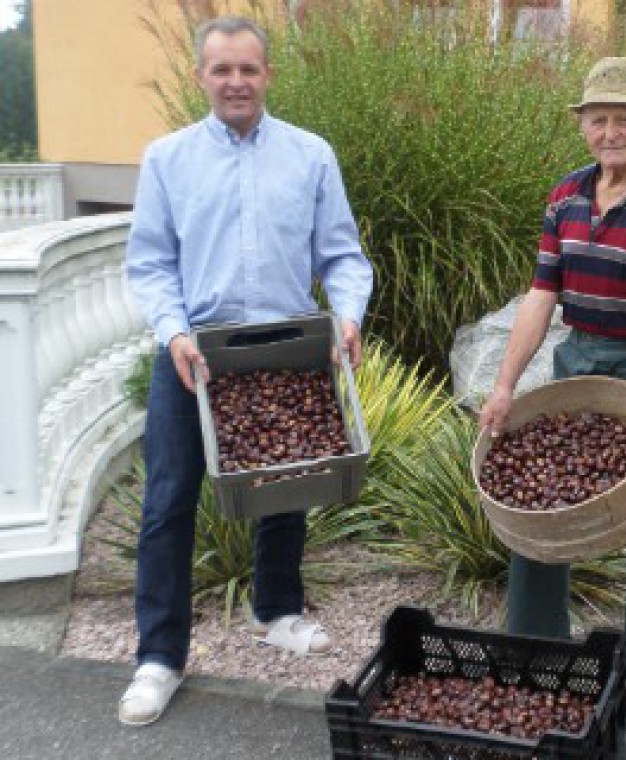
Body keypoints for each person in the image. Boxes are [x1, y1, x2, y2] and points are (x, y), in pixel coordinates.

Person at [120, 16, 373, 726]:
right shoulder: (167, 159)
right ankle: (160, 657)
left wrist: (347, 316)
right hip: (192, 352)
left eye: (249, 70)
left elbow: (344, 256)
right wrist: (172, 334)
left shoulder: (310, 155)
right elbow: (149, 263)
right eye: (223, 69)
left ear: (269, 75)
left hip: (284, 346)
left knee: (285, 484)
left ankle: (278, 611)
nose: (236, 82)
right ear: (201, 75)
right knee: (168, 502)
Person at [478, 57, 626, 721]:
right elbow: (542, 294)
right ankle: (535, 647)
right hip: (581, 360)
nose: (611, 131)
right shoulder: (565, 196)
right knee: (541, 511)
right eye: (599, 118)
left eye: (625, 119)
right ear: (583, 126)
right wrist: (504, 385)